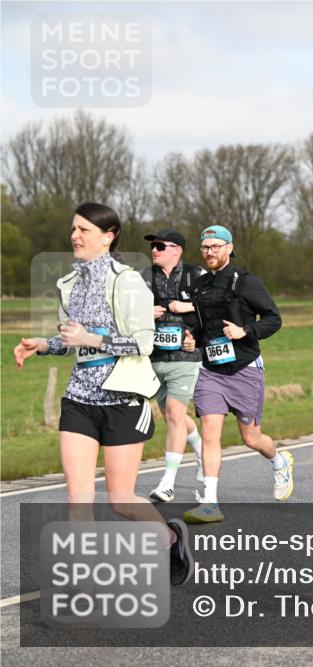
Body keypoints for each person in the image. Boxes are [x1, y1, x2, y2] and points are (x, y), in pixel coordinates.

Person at [13, 202, 193, 586]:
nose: (75, 236)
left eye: (84, 230)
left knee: (121, 501)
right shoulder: (70, 283)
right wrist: (43, 345)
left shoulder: (127, 281)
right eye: (73, 229)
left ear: (108, 236)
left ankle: (171, 538)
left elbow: (144, 343)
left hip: (123, 400)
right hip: (80, 399)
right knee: (79, 501)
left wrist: (90, 337)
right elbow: (72, 342)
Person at [180, 225, 292, 524]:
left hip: (244, 368)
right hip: (211, 370)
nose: (210, 252)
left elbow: (274, 319)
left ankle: (280, 462)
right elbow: (203, 328)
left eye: (216, 246)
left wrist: (245, 331)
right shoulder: (201, 287)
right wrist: (193, 338)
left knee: (251, 438)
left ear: (229, 248)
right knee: (209, 435)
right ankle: (210, 503)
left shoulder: (246, 282)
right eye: (205, 248)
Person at [141, 229, 206, 503]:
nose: (154, 250)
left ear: (177, 250)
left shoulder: (196, 275)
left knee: (176, 415)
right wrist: (145, 311)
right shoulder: (143, 277)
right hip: (153, 358)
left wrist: (188, 308)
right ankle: (203, 450)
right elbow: (124, 311)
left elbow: (215, 309)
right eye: (153, 246)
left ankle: (167, 484)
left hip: (186, 358)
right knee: (171, 416)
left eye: (160, 246)